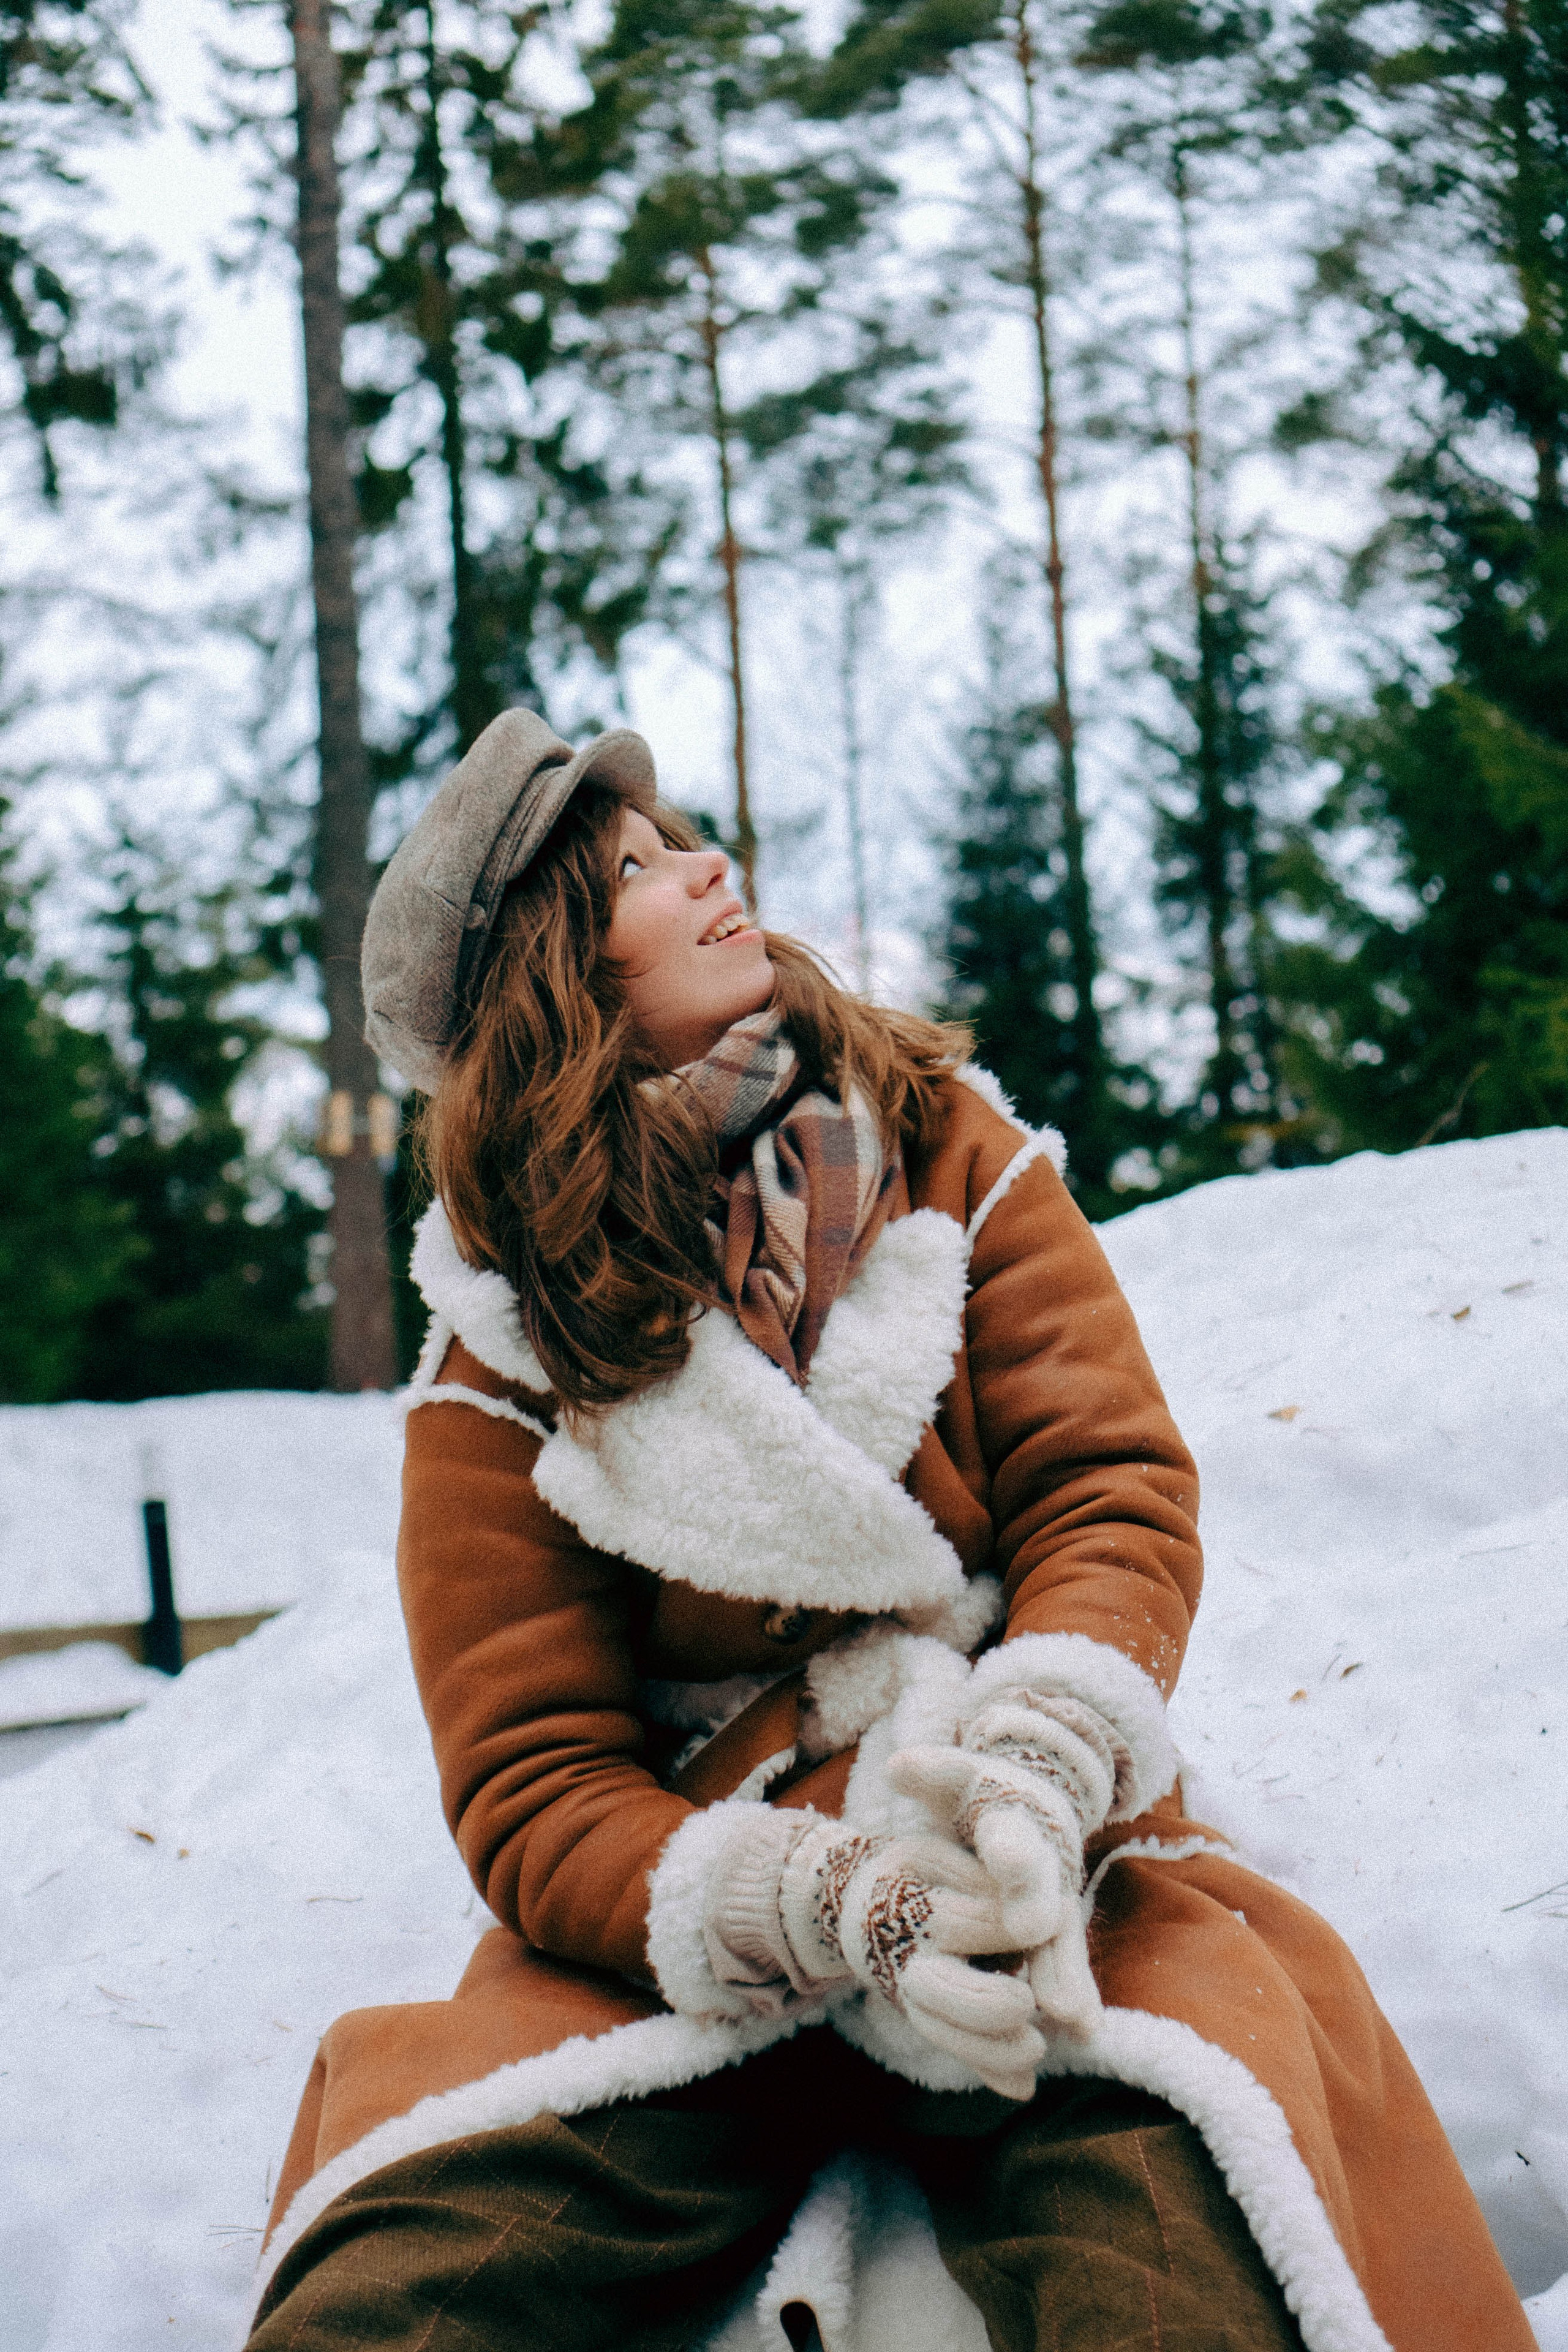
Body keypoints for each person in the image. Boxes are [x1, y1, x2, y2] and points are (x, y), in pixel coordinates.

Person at [246, 710, 1531, 2352]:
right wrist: (815, 1897)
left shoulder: (950, 1149)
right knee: (411, 2290)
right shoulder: (496, 1353)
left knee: (1181, 2237)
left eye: (685, 835)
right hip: (694, 1933)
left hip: (1024, 1860)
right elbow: (533, 1778)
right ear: (555, 978)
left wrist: (1037, 1765)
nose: (711, 867)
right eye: (637, 870)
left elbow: (1106, 1490)